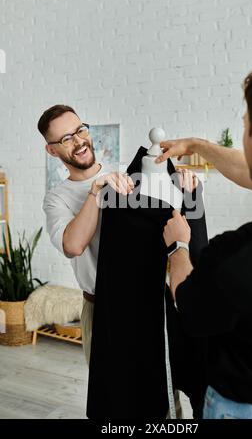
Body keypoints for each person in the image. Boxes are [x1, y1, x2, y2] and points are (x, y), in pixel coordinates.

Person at [161, 57, 252, 419]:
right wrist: (196, 144)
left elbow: (188, 305)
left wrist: (178, 247)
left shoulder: (237, 258)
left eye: (244, 126)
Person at [38, 104, 199, 366]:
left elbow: (168, 221)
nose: (79, 142)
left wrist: (181, 182)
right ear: (52, 149)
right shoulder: (56, 199)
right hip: (101, 308)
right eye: (67, 138)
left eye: (80, 130)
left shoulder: (129, 174)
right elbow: (73, 246)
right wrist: (95, 192)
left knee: (163, 394)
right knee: (112, 398)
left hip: (148, 301)